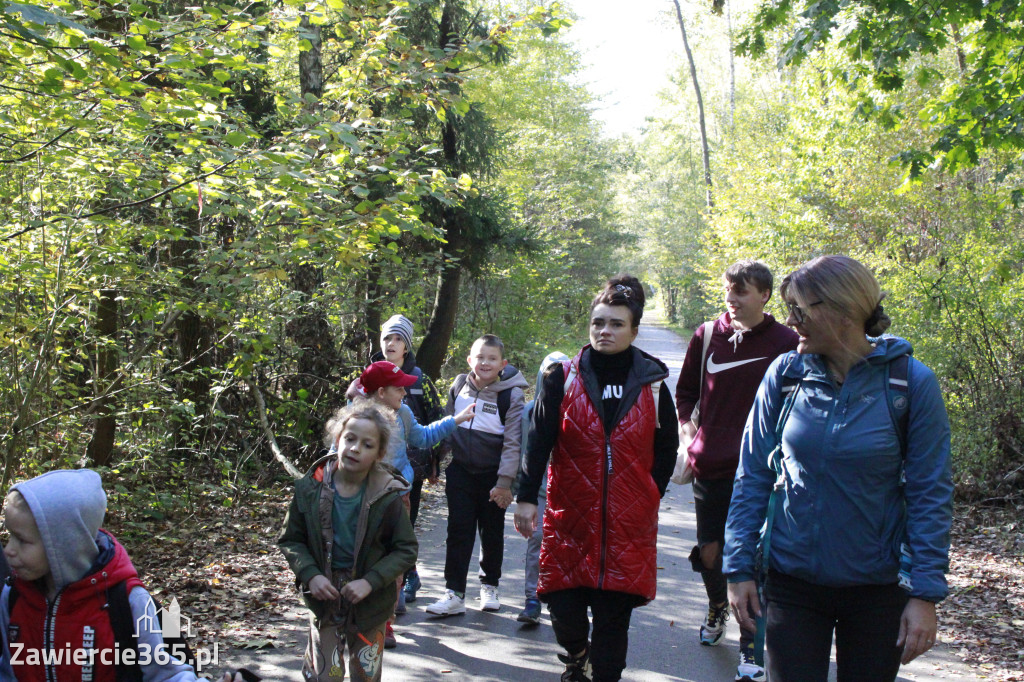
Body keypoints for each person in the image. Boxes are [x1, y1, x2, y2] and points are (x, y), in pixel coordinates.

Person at [723, 255, 954, 681]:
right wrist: (738, 568)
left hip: (878, 589)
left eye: (801, 310)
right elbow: (752, 473)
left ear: (844, 311)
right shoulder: (786, 374)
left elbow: (930, 493)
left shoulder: (911, 384)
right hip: (791, 581)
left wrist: (925, 594)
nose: (791, 321)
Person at [514, 275, 678, 682]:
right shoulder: (561, 377)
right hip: (569, 515)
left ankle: (600, 669)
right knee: (562, 608)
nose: (606, 331)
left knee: (611, 630)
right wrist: (526, 497)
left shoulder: (653, 386)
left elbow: (667, 446)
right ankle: (576, 654)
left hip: (627, 523)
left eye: (617, 324)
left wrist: (649, 492)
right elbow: (538, 441)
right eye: (599, 323)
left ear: (634, 330)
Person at [0, 469, 247, 682]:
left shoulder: (127, 601)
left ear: (63, 545)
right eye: (9, 535)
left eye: (22, 540)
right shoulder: (13, 596)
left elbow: (166, 674)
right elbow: (9, 673)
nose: (8, 550)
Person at [673, 260, 797, 681]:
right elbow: (685, 390)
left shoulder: (788, 341)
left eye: (741, 291)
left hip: (765, 470)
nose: (732, 298)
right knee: (712, 551)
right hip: (712, 463)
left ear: (764, 295)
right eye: (729, 290)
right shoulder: (708, 336)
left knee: (755, 560)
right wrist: (689, 432)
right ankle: (716, 607)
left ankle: (751, 649)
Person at [278, 402, 418, 681]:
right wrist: (310, 575)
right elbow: (291, 539)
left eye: (367, 445)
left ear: (379, 453)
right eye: (350, 439)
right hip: (324, 598)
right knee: (326, 674)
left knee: (366, 674)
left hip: (371, 603)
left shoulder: (388, 497)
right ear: (337, 439)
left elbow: (405, 549)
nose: (355, 448)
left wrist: (371, 581)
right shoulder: (309, 489)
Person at [349, 360, 474, 647]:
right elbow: (335, 456)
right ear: (381, 392)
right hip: (360, 501)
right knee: (361, 561)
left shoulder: (402, 413)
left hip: (396, 498)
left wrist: (455, 420)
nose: (405, 393)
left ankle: (384, 623)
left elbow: (422, 436)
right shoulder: (353, 418)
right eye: (399, 388)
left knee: (394, 561)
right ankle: (356, 617)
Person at [425, 334, 528, 616]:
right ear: (470, 360)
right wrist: (435, 461)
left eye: (492, 358)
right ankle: (454, 593)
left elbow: (513, 443)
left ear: (502, 364)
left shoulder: (511, 394)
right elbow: (445, 426)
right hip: (460, 471)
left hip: (494, 477)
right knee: (458, 531)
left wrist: (505, 483)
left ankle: (490, 585)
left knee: (491, 532)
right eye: (480, 357)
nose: (485, 363)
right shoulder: (459, 386)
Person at [370, 315, 445, 608]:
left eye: (398, 339)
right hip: (372, 471)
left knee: (404, 527)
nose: (391, 344)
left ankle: (405, 579)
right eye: (388, 337)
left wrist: (434, 462)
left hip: (409, 472)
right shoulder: (370, 374)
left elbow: (434, 419)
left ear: (407, 346)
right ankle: (386, 587)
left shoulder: (419, 380)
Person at [516, 351, 570, 626]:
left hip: (567, 495)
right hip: (538, 493)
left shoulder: (575, 410)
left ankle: (564, 603)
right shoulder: (529, 412)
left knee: (567, 549)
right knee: (536, 546)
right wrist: (522, 493)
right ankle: (532, 599)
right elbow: (526, 452)